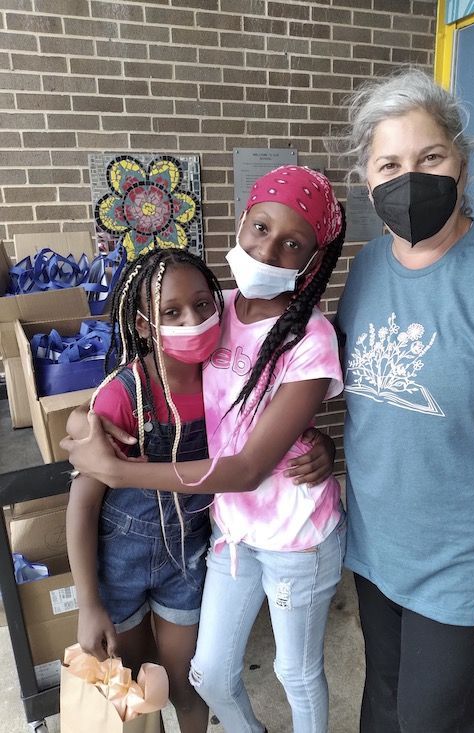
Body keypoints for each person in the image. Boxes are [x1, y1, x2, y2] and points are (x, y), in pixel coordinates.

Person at [62, 165, 348, 733]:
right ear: (241, 222)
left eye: (293, 244)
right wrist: (86, 417)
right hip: (230, 534)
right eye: (260, 228)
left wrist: (118, 471)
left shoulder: (309, 337)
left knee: (295, 671)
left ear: (312, 261)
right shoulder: (217, 311)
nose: (269, 249)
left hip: (296, 538)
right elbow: (150, 358)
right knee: (209, 674)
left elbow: (245, 466)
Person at [333, 68, 474, 732]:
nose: (410, 176)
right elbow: (365, 401)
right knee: (384, 703)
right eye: (389, 163)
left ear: (463, 162)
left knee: (433, 720)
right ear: (368, 180)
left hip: (464, 567)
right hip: (376, 551)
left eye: (430, 156)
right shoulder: (368, 265)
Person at [66, 246, 225, 732]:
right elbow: (83, 505)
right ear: (139, 325)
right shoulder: (123, 393)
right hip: (120, 568)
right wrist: (88, 603)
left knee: (186, 682)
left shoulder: (225, 380)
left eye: (202, 305)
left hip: (188, 559)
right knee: (134, 689)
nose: (192, 321)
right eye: (170, 313)